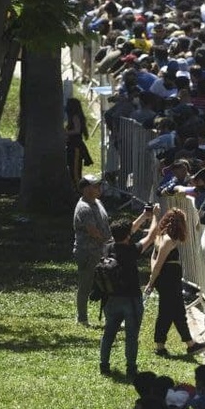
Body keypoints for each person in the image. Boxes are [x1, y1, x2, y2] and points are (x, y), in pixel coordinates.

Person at [144, 208, 205, 357]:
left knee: (178, 312)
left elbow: (153, 259)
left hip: (167, 280)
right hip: (169, 281)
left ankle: (190, 344)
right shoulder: (168, 241)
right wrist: (151, 282)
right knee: (166, 313)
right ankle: (160, 346)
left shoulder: (161, 237)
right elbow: (158, 263)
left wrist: (154, 278)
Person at [99, 211, 153, 377]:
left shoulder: (108, 247)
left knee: (109, 333)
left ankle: (104, 365)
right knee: (131, 336)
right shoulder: (132, 250)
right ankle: (131, 368)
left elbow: (123, 233)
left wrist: (144, 216)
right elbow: (151, 235)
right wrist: (156, 216)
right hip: (131, 299)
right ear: (129, 236)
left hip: (111, 299)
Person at [73, 174, 112, 328]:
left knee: (107, 284)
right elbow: (93, 231)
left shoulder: (98, 203)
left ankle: (110, 318)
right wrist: (109, 242)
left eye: (99, 185)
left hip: (101, 251)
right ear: (86, 189)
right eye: (95, 186)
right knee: (86, 285)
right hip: (87, 252)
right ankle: (82, 318)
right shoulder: (84, 208)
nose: (99, 188)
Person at [65, 97, 92, 187]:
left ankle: (78, 188)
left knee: (75, 171)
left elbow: (77, 130)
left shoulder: (75, 117)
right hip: (72, 145)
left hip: (76, 146)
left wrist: (65, 132)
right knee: (72, 169)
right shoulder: (74, 116)